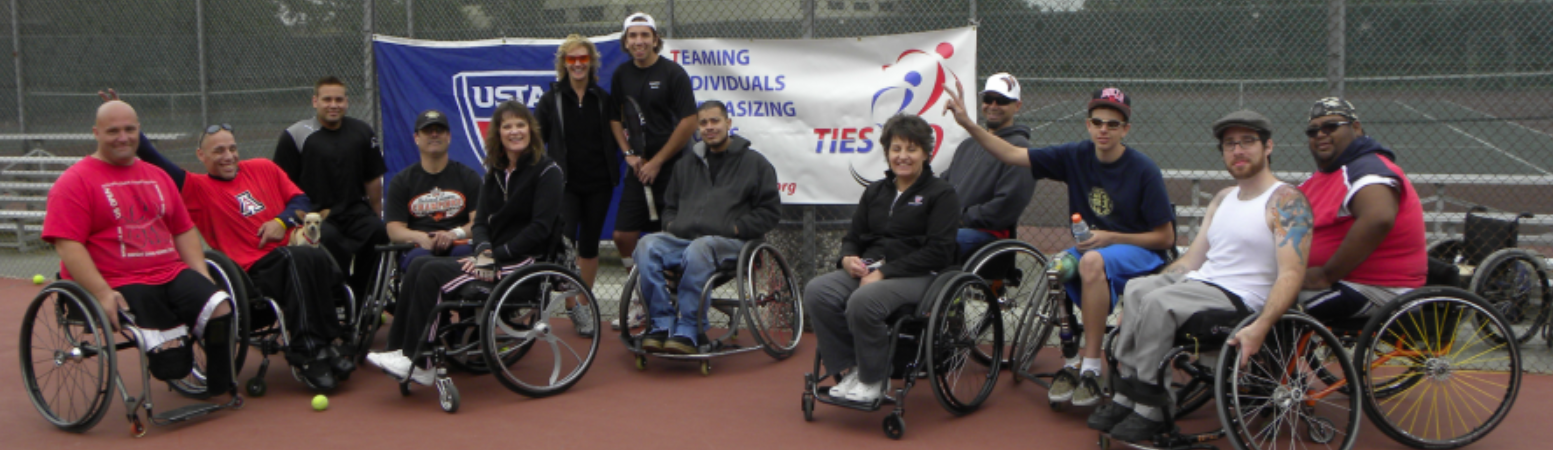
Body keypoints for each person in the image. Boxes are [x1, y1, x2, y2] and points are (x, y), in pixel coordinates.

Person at [1088, 110, 1313, 441]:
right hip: (1204, 281)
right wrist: (1137, 303)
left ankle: (1153, 409)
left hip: (1241, 297)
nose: (1237, 150)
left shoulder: (1287, 201)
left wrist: (1261, 326)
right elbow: (1192, 258)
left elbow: (1292, 273)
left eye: (1247, 142)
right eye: (1229, 144)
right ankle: (1126, 396)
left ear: (1268, 147)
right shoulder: (1223, 198)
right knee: (1137, 290)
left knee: (1157, 303)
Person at [944, 85, 1174, 407]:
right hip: (1094, 251)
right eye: (1097, 122)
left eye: (1112, 124)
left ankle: (1092, 369)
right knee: (1055, 267)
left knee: (1091, 261)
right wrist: (968, 123)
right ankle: (1070, 363)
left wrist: (1112, 237)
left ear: (1126, 129)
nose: (1103, 130)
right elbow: (1011, 154)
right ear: (1088, 125)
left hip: (1138, 252)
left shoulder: (1143, 169)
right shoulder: (1075, 155)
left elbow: (1165, 238)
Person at [130, 112, 356, 391]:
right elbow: (155, 160)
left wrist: (280, 222)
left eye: (232, 148)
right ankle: (308, 353)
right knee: (299, 257)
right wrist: (132, 130)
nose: (228, 156)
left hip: (295, 257)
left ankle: (326, 345)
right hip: (252, 273)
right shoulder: (197, 188)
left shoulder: (263, 167)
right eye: (219, 151)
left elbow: (301, 200)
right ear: (201, 155)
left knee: (316, 251)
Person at [41, 100, 237, 399]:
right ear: (96, 133)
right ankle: (169, 366)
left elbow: (183, 229)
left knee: (220, 305)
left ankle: (219, 385)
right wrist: (103, 292)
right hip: (117, 280)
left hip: (169, 272)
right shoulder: (74, 182)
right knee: (159, 336)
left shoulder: (157, 176)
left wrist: (200, 274)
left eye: (130, 129)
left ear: (139, 131)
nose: (123, 137)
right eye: (113, 131)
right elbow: (69, 246)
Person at [366, 101, 563, 384]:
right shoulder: (496, 172)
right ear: (498, 133)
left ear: (530, 131)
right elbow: (481, 223)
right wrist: (483, 249)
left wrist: (496, 254)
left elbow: (540, 229)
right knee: (421, 263)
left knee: (432, 271)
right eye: (507, 126)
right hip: (494, 258)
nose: (514, 131)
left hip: (524, 263)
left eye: (520, 125)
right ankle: (399, 351)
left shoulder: (547, 172)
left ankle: (423, 362)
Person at [803, 114, 959, 403]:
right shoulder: (875, 191)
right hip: (871, 269)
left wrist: (885, 272)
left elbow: (940, 251)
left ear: (926, 152)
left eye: (911, 149)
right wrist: (847, 258)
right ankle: (852, 369)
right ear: (887, 152)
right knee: (818, 291)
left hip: (921, 275)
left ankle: (874, 379)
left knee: (864, 301)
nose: (903, 156)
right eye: (896, 149)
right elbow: (854, 235)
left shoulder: (942, 194)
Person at [633, 101, 781, 354]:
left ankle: (691, 328)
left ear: (728, 123)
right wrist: (671, 224)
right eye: (704, 123)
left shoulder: (756, 164)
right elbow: (670, 206)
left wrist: (736, 228)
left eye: (715, 121)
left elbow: (770, 212)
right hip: (686, 242)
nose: (709, 127)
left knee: (700, 248)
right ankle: (662, 323)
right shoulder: (685, 165)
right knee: (646, 245)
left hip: (734, 244)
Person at [1296, 98, 1426, 319]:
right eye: (1313, 130)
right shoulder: (1325, 175)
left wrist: (1326, 275)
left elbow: (1379, 218)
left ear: (1355, 128)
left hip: (1378, 290)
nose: (1320, 134)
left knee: (1274, 304)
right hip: (1346, 284)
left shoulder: (1368, 169)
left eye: (1331, 127)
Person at [535, 34, 623, 338]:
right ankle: (572, 306)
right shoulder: (551, 99)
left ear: (591, 62)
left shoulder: (603, 98)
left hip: (599, 183)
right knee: (565, 244)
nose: (577, 64)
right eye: (571, 59)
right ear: (563, 63)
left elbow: (619, 135)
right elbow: (536, 142)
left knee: (589, 246)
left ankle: (585, 303)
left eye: (582, 58)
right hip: (565, 185)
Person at [274, 76, 390, 297]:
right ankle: (337, 299)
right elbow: (281, 183)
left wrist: (377, 215)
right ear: (315, 101)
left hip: (355, 211)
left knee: (377, 232)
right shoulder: (295, 135)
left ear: (347, 102)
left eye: (339, 99)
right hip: (317, 214)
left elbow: (373, 178)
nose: (333, 105)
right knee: (329, 241)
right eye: (327, 99)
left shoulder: (362, 132)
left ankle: (362, 299)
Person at [609, 12, 698, 279]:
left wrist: (657, 162)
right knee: (623, 236)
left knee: (671, 237)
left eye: (645, 35)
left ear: (655, 39)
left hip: (673, 170)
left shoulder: (673, 73)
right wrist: (628, 154)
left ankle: (671, 292)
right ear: (625, 42)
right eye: (633, 36)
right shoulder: (621, 75)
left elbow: (689, 121)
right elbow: (615, 118)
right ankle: (639, 290)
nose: (639, 41)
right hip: (638, 170)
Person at [939, 72, 1036, 258]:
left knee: (937, 242)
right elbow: (941, 185)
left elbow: (1005, 208)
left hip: (987, 237)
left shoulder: (1020, 149)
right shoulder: (967, 145)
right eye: (989, 99)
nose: (993, 106)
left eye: (1002, 101)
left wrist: (959, 217)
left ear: (1017, 106)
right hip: (954, 226)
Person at [384, 109, 481, 268]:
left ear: (448, 137)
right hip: (419, 248)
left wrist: (453, 234)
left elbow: (478, 222)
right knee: (421, 261)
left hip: (459, 244)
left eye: (439, 130)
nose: (434, 135)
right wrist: (420, 237)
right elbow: (394, 229)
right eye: (428, 131)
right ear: (416, 138)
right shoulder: (401, 181)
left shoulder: (468, 177)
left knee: (465, 257)